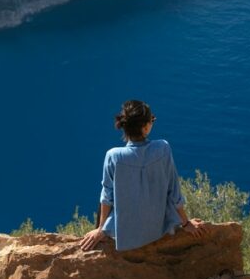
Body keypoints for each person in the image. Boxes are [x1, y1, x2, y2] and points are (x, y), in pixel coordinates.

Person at [80, 100, 208, 251]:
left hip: (125, 235)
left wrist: (101, 229)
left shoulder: (113, 156)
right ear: (146, 127)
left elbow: (107, 197)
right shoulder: (163, 148)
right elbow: (174, 191)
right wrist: (186, 223)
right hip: (157, 229)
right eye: (151, 120)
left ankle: (103, 233)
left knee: (106, 192)